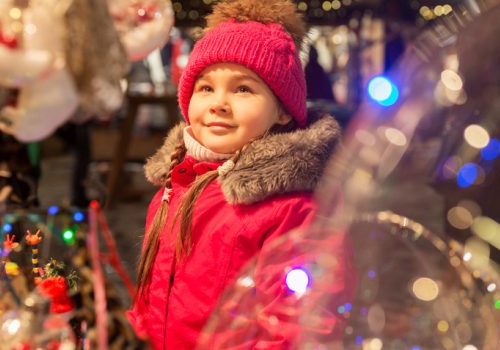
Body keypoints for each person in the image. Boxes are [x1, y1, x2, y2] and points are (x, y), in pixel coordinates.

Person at [126, 0, 347, 348]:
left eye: (243, 89)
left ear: (283, 112)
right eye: (205, 87)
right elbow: (151, 297)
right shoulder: (173, 187)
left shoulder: (292, 210)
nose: (218, 103)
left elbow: (300, 325)